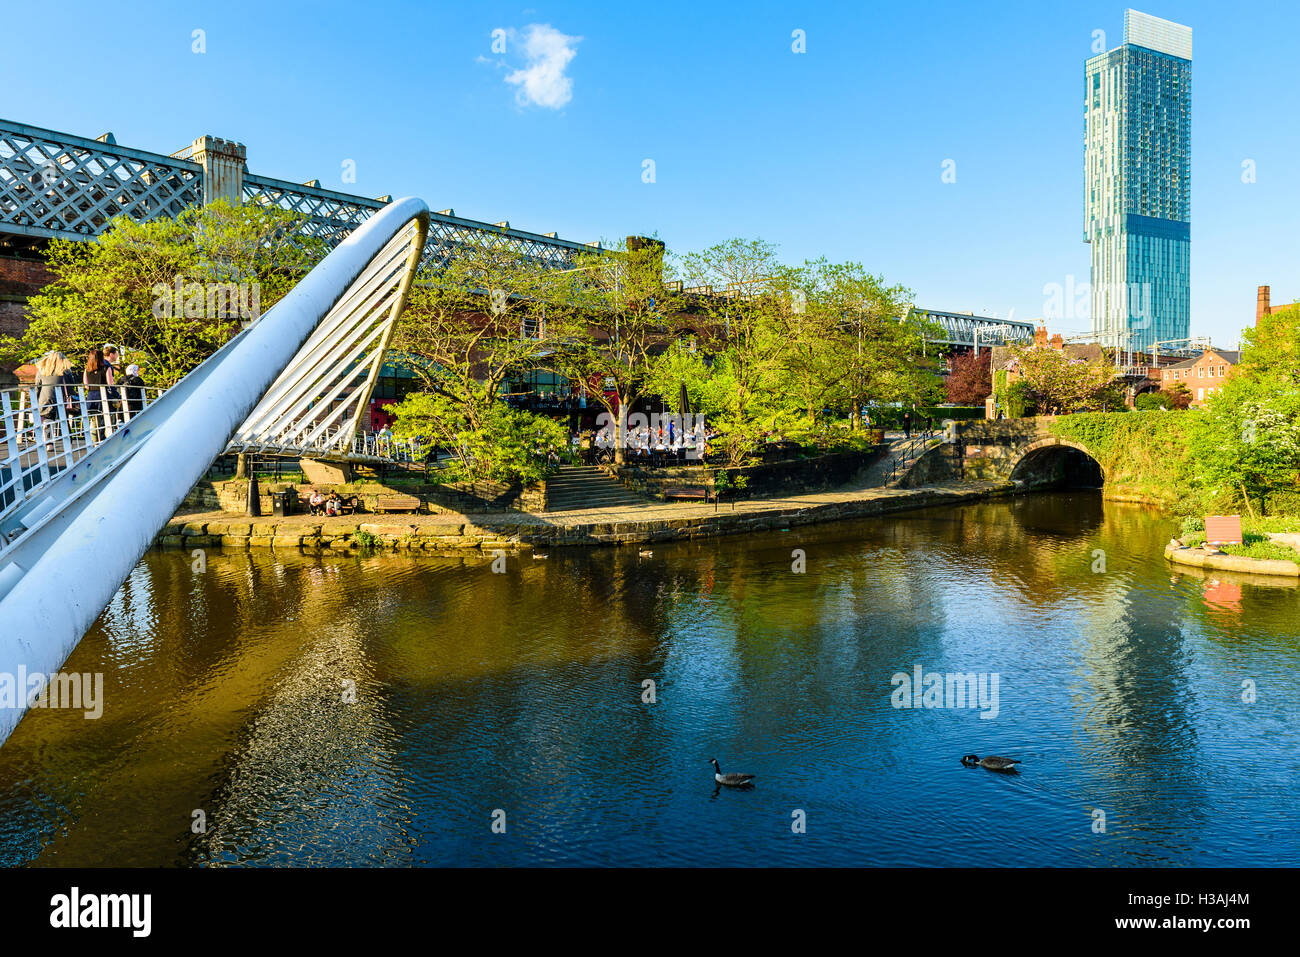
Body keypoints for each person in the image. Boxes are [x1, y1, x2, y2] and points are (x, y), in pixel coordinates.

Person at [34, 351, 73, 447]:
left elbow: (37, 386)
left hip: (45, 398)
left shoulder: (42, 371)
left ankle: (49, 443)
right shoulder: (66, 371)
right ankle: (67, 441)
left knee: (48, 419)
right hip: (61, 399)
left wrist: (35, 400)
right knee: (63, 418)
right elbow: (71, 385)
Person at [82, 347, 113, 442]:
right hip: (102, 395)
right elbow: (110, 383)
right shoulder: (106, 368)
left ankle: (95, 440)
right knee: (104, 419)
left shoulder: (87, 370)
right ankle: (102, 439)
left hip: (91, 396)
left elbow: (86, 385)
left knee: (94, 420)